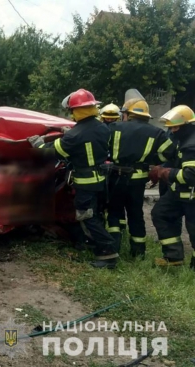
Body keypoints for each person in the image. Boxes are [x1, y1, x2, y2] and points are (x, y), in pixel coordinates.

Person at [28, 88, 119, 269]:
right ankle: (94, 244)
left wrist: (38, 144)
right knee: (95, 214)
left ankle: (108, 252)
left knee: (86, 215)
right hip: (101, 179)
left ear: (77, 111)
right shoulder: (101, 127)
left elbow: (56, 150)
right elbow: (86, 137)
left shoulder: (75, 134)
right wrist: (68, 131)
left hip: (86, 182)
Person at [106, 89, 176, 259]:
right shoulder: (157, 133)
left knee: (114, 212)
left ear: (129, 114)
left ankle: (113, 248)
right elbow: (169, 153)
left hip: (116, 177)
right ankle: (138, 254)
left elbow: (103, 148)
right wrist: (150, 161)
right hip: (137, 180)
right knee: (136, 215)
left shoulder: (114, 127)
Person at [149, 105, 195, 269]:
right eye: (171, 128)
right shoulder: (182, 139)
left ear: (187, 125)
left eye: (175, 127)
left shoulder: (191, 145)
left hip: (191, 196)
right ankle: (173, 257)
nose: (173, 131)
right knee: (160, 214)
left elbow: (190, 176)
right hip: (179, 193)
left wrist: (166, 173)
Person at [100, 103, 127, 231]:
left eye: (113, 119)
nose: (110, 121)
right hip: (103, 168)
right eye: (107, 118)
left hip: (117, 169)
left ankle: (121, 225)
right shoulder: (99, 129)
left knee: (117, 199)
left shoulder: (124, 130)